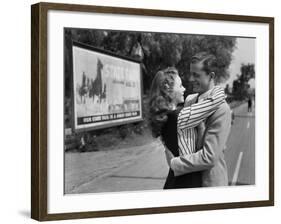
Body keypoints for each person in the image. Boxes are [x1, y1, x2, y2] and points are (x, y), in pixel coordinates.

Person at [149, 67, 226, 189]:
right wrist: (216, 88)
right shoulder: (179, 116)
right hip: (186, 183)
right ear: (168, 88)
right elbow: (214, 101)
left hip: (176, 180)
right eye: (180, 86)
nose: (184, 89)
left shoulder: (166, 117)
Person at [165, 52, 232, 187]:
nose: (190, 79)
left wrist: (175, 163)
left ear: (211, 76)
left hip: (209, 184)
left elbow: (209, 157)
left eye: (196, 75)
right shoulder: (190, 100)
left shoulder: (221, 110)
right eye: (191, 74)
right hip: (188, 180)